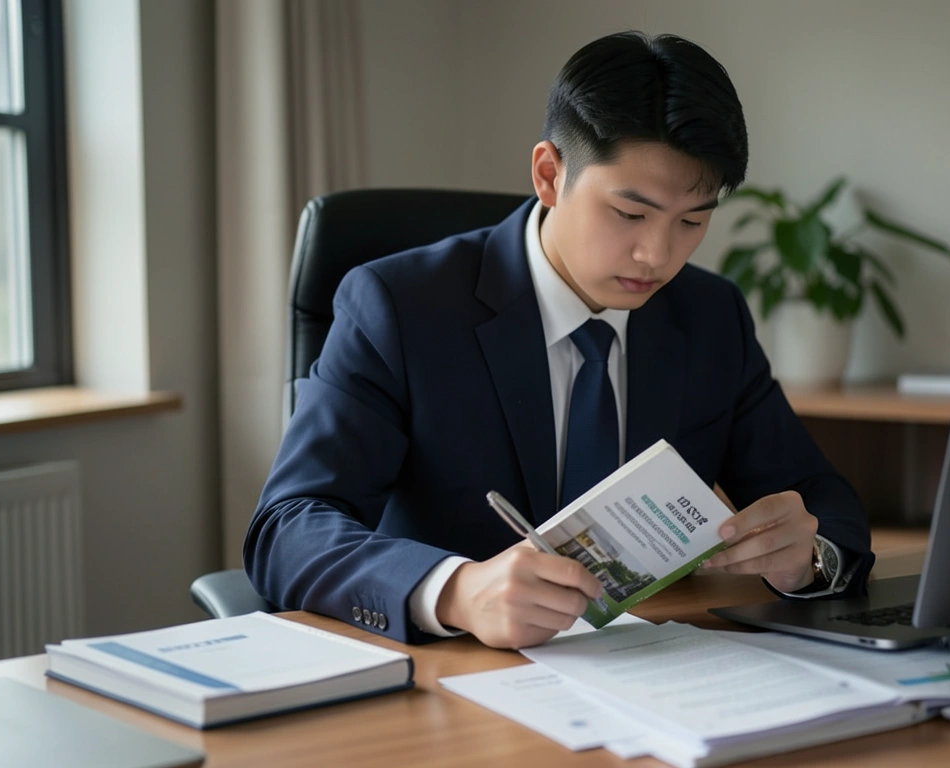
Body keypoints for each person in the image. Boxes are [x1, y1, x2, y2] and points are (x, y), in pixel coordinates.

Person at [244, 31, 874, 650]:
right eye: (630, 213)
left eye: (692, 221)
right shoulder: (398, 306)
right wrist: (456, 590)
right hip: (456, 680)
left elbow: (819, 495)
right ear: (549, 175)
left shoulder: (710, 315)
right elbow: (288, 528)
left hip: (651, 670)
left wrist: (808, 557)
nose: (657, 254)